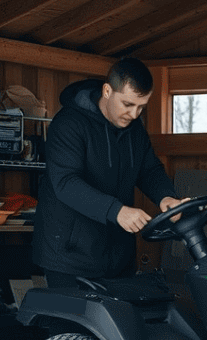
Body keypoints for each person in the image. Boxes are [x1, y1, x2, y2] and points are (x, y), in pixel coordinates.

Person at [32, 58, 186, 289]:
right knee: (72, 327)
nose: (134, 114)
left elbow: (149, 169)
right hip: (69, 258)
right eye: (127, 104)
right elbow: (65, 182)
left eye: (141, 106)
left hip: (117, 257)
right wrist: (116, 211)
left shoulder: (134, 130)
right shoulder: (67, 124)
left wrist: (166, 197)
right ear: (107, 91)